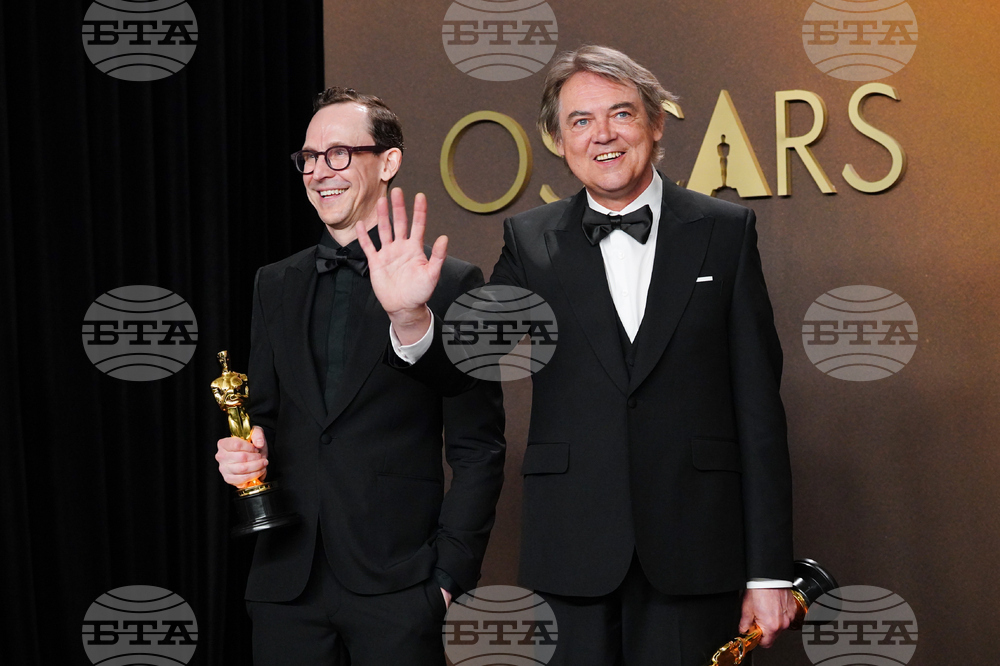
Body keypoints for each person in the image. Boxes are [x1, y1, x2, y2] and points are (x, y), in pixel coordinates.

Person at [357, 46, 795, 665]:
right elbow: (469, 364)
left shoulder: (724, 232)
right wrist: (410, 317)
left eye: (621, 114)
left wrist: (769, 571)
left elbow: (759, 413)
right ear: (559, 140)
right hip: (572, 550)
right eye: (581, 121)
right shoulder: (531, 240)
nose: (604, 136)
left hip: (696, 548)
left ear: (656, 124)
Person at [215, 87, 506, 666]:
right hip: (285, 586)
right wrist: (243, 455)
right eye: (309, 158)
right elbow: (265, 416)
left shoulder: (454, 285)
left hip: (400, 588)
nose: (319, 171)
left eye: (339, 154)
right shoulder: (273, 283)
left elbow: (479, 448)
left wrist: (447, 578)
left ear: (389, 162)